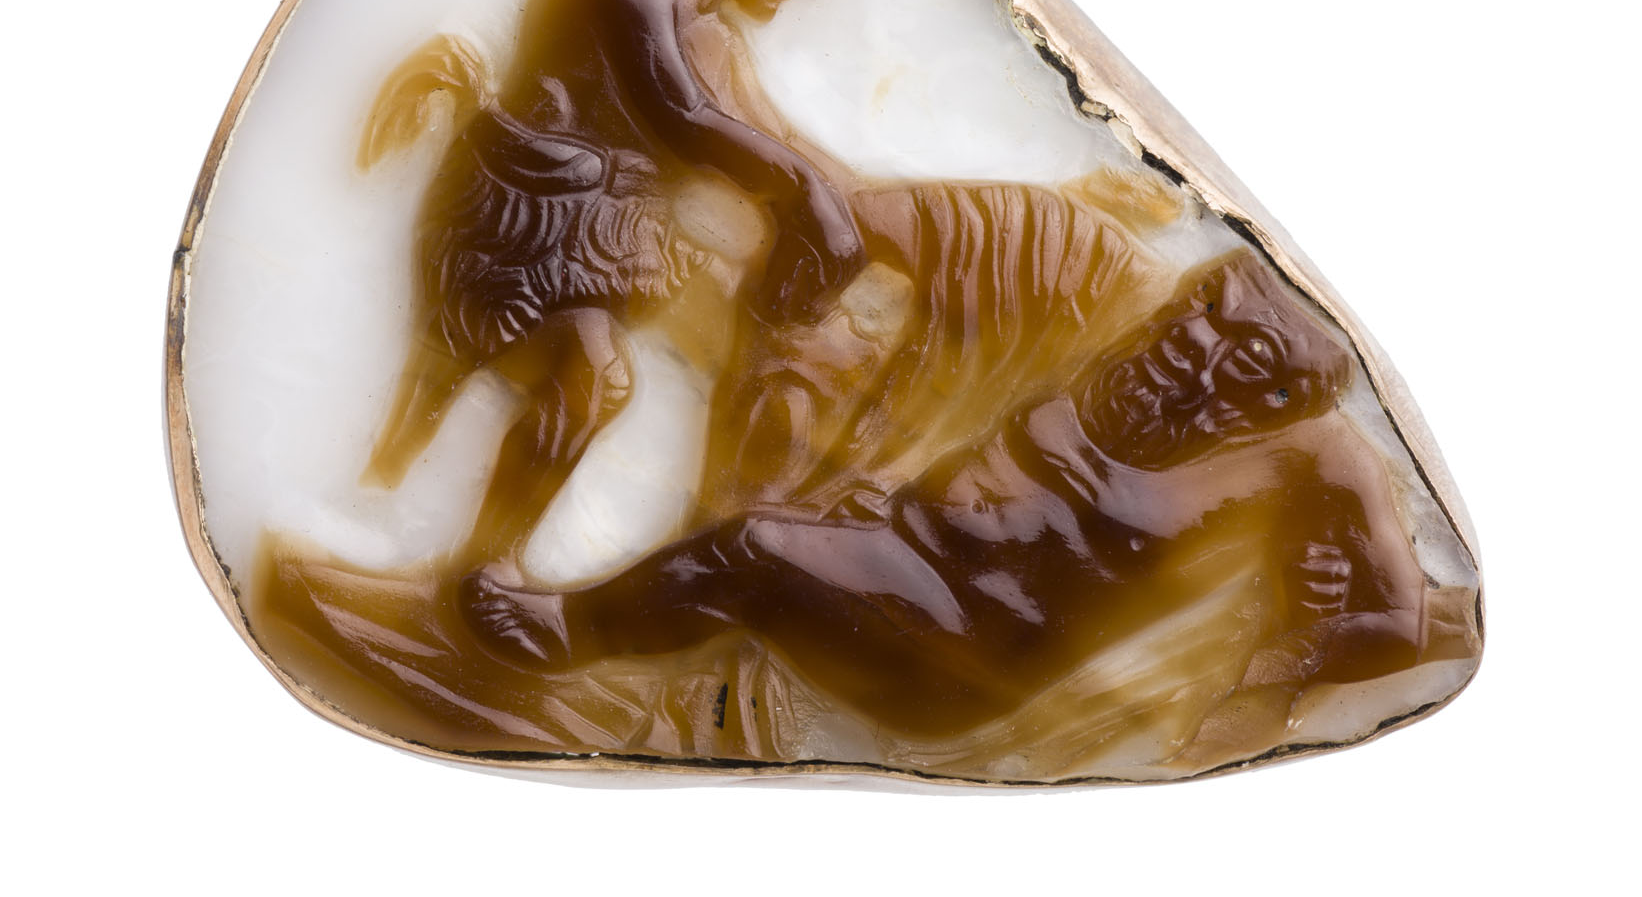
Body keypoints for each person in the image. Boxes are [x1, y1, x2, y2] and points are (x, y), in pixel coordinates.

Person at [460, 252, 1428, 737]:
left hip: (957, 655)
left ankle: (561, 636)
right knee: (766, 541)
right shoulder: (1115, 340)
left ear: (1268, 401)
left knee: (748, 553)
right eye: (1196, 314)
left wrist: (1298, 641)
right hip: (901, 563)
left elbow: (1399, 624)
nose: (1191, 347)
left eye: (1237, 359)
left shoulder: (1313, 461)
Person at [355, 0, 866, 565]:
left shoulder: (709, 26)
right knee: (494, 382)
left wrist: (850, 204)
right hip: (518, 211)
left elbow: (757, 126)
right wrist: (803, 191)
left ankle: (475, 567)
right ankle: (437, 545)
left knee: (586, 383)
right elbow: (679, 112)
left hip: (599, 227)